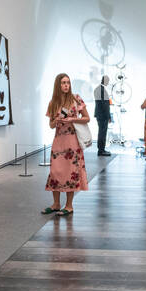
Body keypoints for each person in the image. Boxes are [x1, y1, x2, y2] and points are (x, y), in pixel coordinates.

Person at [44, 73, 89, 216]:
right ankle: (56, 204)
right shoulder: (53, 103)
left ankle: (69, 205)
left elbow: (87, 118)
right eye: (63, 83)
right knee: (55, 172)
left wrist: (72, 119)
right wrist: (56, 121)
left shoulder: (76, 99)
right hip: (58, 141)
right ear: (58, 85)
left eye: (68, 82)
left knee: (71, 172)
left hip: (72, 141)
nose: (66, 85)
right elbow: (51, 125)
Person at [95, 75, 113, 156]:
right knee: (103, 132)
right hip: (103, 115)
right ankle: (101, 150)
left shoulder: (98, 89)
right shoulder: (102, 90)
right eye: (108, 81)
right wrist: (109, 116)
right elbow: (105, 105)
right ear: (105, 81)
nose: (108, 83)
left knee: (101, 132)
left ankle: (101, 149)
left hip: (99, 114)